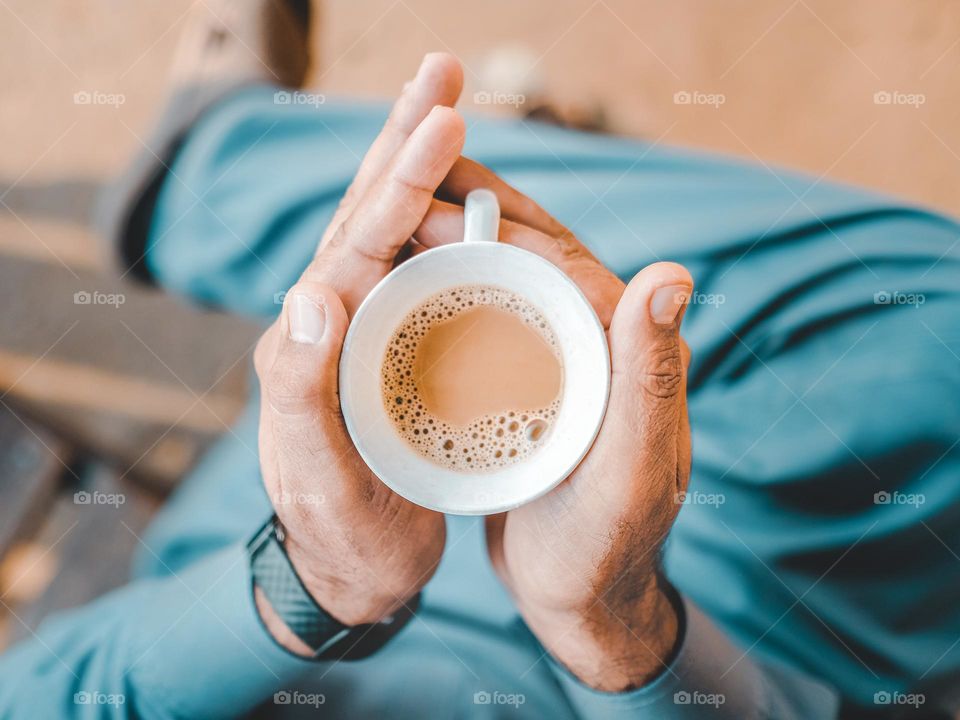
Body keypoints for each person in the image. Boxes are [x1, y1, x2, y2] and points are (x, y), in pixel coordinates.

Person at [2, 2, 959, 718]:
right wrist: (609, 624)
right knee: (938, 329)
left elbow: (59, 691)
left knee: (424, 239)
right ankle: (221, 168)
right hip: (726, 627)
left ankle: (217, 169)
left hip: (314, 543)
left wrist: (320, 584)